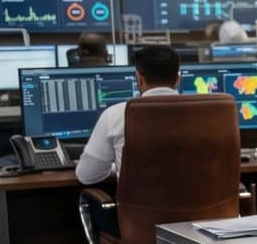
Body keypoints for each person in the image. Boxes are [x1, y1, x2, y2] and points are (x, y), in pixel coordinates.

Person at [76, 45, 182, 185]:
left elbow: (87, 175)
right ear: (177, 79)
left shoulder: (115, 115)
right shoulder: (208, 116)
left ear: (139, 79)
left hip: (139, 207)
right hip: (202, 206)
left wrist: (117, 166)